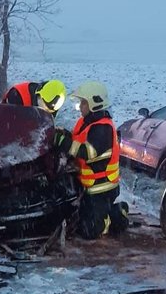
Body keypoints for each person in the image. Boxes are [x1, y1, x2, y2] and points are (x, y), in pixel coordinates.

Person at [55, 80, 129, 239]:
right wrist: (64, 135)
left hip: (101, 188)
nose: (80, 106)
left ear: (94, 104)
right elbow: (78, 140)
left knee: (89, 231)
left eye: (83, 103)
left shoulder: (103, 128)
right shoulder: (85, 121)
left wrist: (62, 142)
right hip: (86, 184)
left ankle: (116, 214)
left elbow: (87, 152)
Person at [2, 79, 66, 116]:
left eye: (48, 111)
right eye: (44, 107)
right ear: (39, 94)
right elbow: (8, 120)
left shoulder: (53, 106)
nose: (44, 112)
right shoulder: (17, 95)